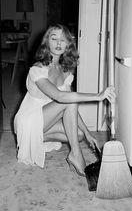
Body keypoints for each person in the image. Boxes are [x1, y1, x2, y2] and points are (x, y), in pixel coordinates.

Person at [14, 24, 116, 176]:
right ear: (46, 42)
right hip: (29, 119)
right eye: (53, 38)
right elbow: (61, 97)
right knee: (69, 103)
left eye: (62, 40)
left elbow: (70, 106)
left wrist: (88, 133)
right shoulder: (38, 69)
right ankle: (76, 155)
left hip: (46, 120)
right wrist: (97, 96)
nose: (58, 43)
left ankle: (34, 140)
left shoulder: (66, 70)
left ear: (68, 44)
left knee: (78, 135)